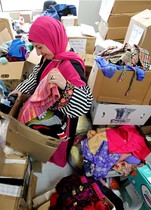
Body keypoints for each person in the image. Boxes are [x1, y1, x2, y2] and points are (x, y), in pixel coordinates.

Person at [9, 16, 93, 167]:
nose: (38, 52)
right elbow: (36, 76)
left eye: (40, 47)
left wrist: (65, 86)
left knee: (56, 147)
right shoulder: (51, 56)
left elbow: (85, 105)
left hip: (63, 119)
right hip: (46, 113)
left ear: (52, 40)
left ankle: (55, 158)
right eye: (35, 47)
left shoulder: (71, 66)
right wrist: (19, 91)